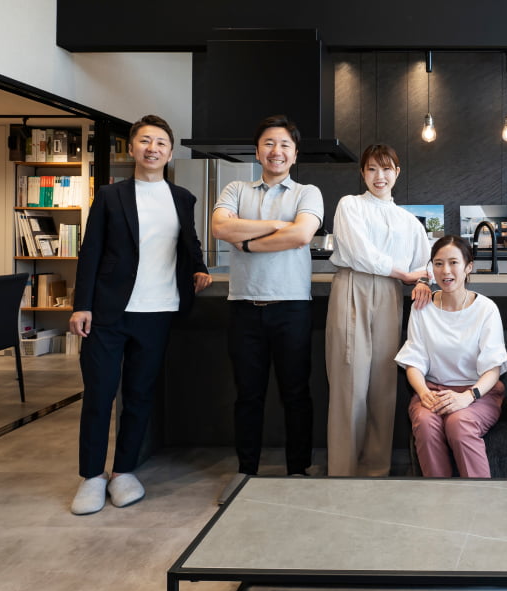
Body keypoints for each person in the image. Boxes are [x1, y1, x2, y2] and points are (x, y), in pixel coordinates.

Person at [69, 114, 212, 515]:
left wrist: (199, 268)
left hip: (158, 310)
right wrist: (82, 304)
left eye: (161, 143)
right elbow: (91, 251)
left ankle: (124, 471)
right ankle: (91, 475)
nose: (153, 148)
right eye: (145, 141)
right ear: (132, 148)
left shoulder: (182, 197)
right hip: (108, 312)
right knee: (99, 394)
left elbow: (189, 240)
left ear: (170, 152)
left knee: (139, 395)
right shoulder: (110, 195)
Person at [211, 115, 323, 502]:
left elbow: (302, 234)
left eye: (285, 145)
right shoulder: (236, 188)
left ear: (295, 153)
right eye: (269, 144)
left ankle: (298, 469)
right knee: (248, 395)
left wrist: (246, 241)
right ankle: (246, 471)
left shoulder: (307, 192)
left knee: (296, 394)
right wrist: (276, 224)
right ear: (258, 151)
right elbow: (219, 228)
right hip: (244, 306)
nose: (277, 151)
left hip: (292, 306)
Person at [326, 144, 432, 477]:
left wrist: (422, 280)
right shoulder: (350, 205)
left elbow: (425, 263)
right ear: (362, 173)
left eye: (386, 169)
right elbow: (360, 254)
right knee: (349, 381)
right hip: (352, 287)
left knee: (383, 384)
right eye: (372, 169)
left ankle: (375, 471)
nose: (379, 176)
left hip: (390, 294)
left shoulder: (408, 221)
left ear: (397, 173)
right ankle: (343, 471)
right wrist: (405, 274)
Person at [395, 235, 507, 477]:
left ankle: (479, 497)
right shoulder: (422, 307)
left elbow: (493, 368)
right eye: (438, 263)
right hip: (433, 391)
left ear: (468, 267)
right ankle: (440, 496)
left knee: (459, 423)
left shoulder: (486, 309)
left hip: (478, 393)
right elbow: (414, 360)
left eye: (454, 262)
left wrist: (468, 396)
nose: (445, 271)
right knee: (425, 423)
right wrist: (424, 393)